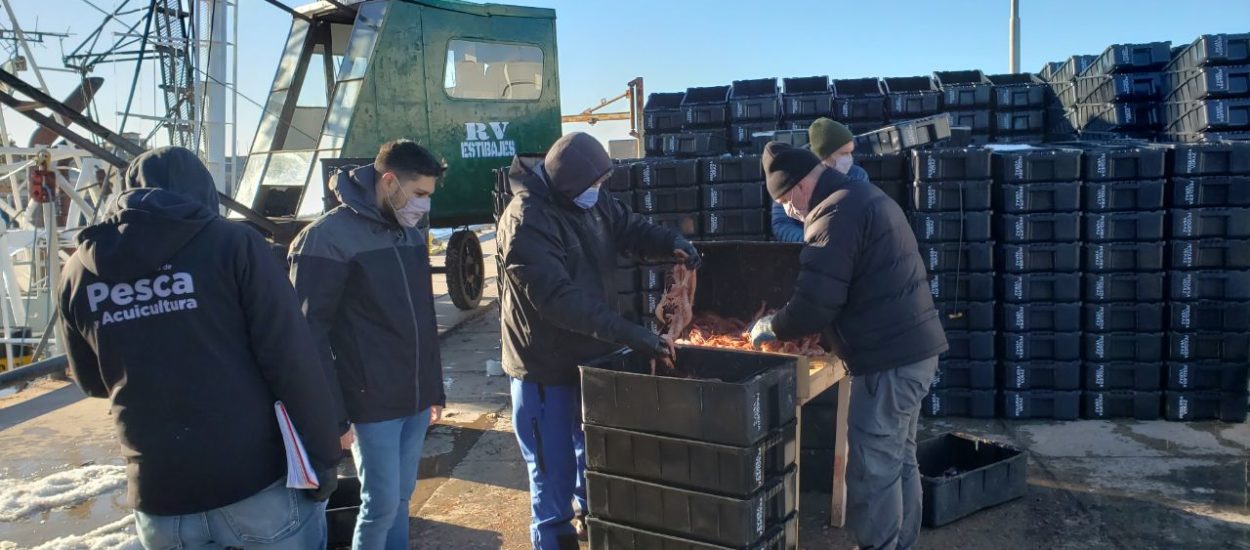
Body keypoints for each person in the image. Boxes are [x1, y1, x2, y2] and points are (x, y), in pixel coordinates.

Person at [58, 146, 342, 549]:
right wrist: (323, 454)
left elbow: (90, 381)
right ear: (203, 191)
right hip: (254, 482)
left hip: (159, 495)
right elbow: (291, 361)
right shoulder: (234, 245)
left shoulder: (77, 270)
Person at [497, 132, 700, 550]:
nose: (599, 192)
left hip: (592, 358)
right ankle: (554, 539)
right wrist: (632, 334)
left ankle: (598, 525)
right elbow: (559, 301)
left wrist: (671, 244)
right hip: (544, 368)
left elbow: (628, 227)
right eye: (594, 185)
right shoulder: (526, 220)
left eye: (602, 184)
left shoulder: (592, 201)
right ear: (569, 183)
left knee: (595, 459)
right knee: (551, 476)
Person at [749, 142, 948, 550]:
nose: (788, 209)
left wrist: (773, 325)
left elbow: (815, 303)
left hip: (887, 362)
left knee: (871, 470)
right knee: (898, 461)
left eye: (786, 200)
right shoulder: (861, 196)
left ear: (801, 186)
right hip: (915, 351)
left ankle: (881, 545)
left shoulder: (832, 212)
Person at [288, 139, 446, 550]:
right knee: (378, 505)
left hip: (413, 399)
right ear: (389, 181)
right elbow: (308, 336)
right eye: (419, 195)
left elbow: (424, 320)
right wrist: (334, 418)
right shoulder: (326, 239)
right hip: (370, 402)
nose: (424, 207)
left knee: (400, 499)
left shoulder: (409, 233)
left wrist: (433, 388)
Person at [770, 117, 870, 242]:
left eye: (851, 152)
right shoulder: (791, 177)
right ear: (825, 156)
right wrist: (810, 240)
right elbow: (781, 225)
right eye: (843, 153)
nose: (849, 158)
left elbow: (861, 219)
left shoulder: (857, 175)